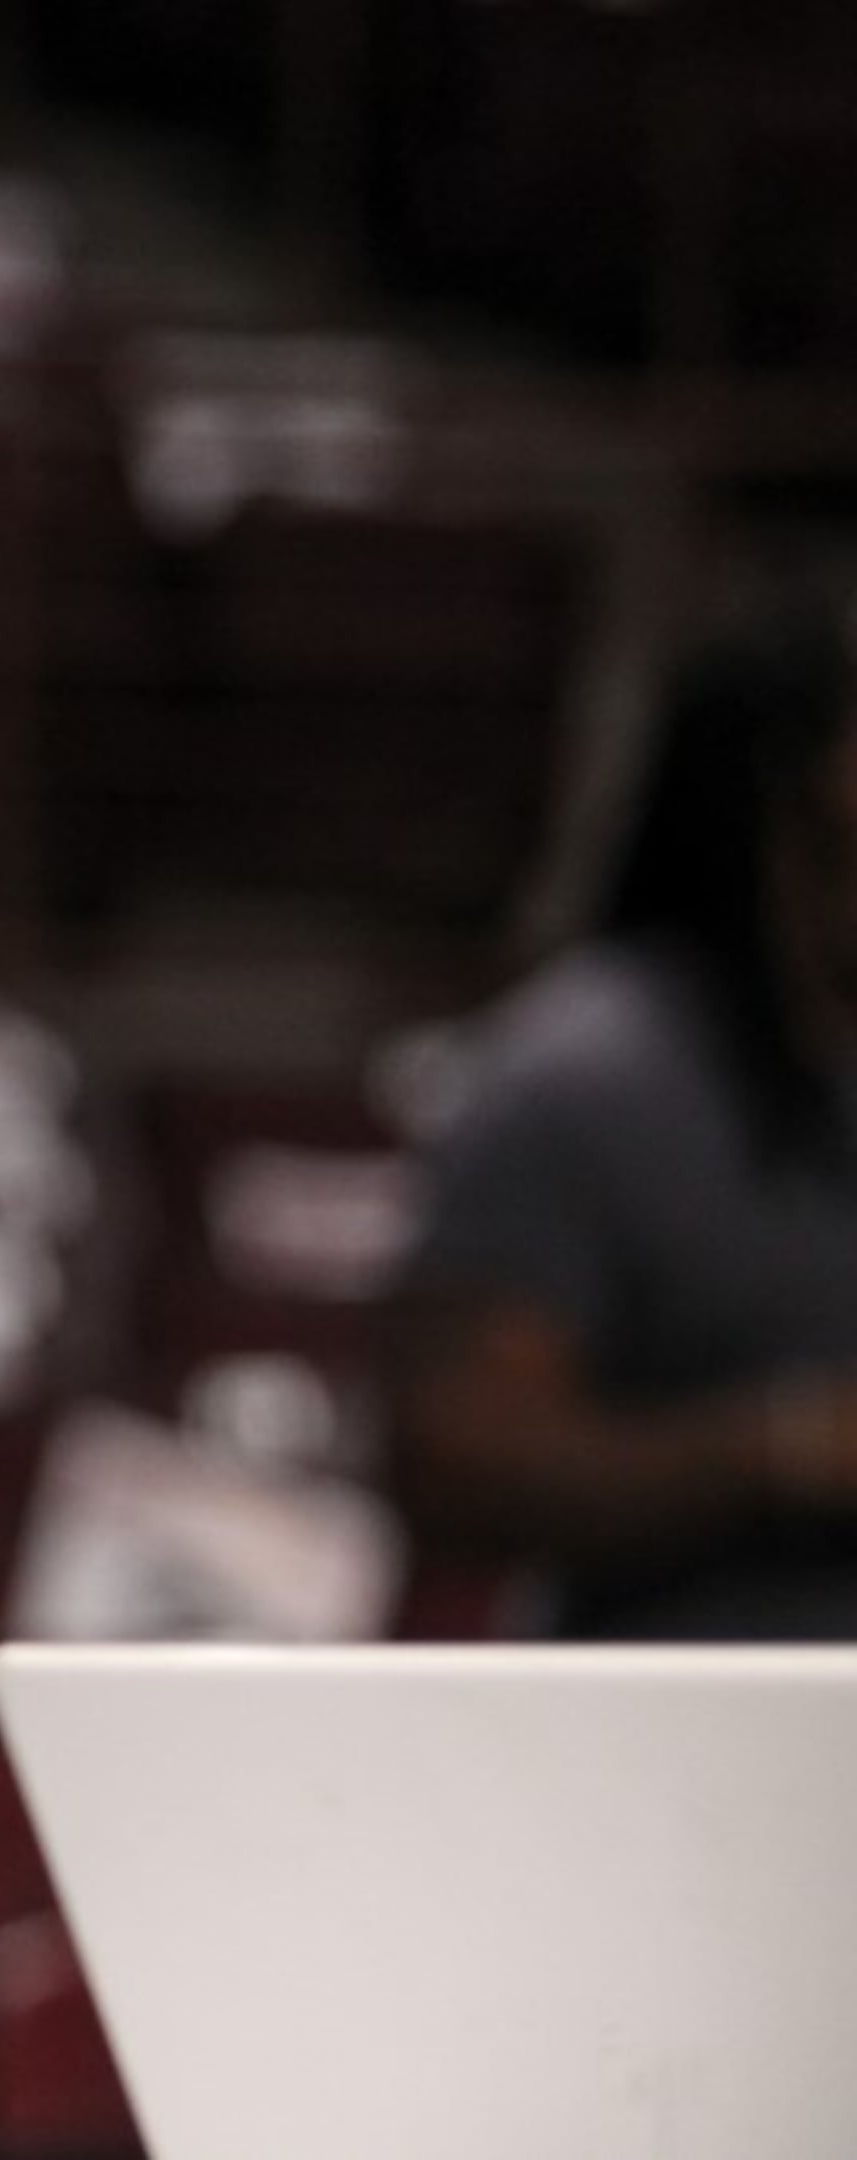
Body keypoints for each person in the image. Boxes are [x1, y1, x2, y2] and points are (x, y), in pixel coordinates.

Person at [391, 593, 857, 1637]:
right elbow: (453, 1455)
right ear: (787, 803)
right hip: (676, 1736)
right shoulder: (592, 1076)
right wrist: (783, 1449)